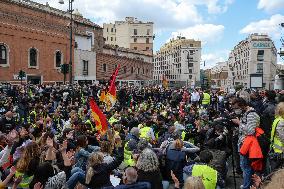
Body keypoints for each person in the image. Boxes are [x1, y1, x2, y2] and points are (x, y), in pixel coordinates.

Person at [231, 97, 260, 189]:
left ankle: (247, 186)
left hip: (247, 144)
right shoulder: (246, 113)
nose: (236, 110)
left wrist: (239, 123)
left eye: (236, 108)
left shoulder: (251, 114)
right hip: (244, 143)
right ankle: (247, 184)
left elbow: (251, 131)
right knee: (244, 166)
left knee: (246, 167)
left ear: (242, 105)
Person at [269, 102, 284, 172]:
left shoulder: (277, 120)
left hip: (276, 149)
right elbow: (282, 137)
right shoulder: (281, 122)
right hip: (281, 151)